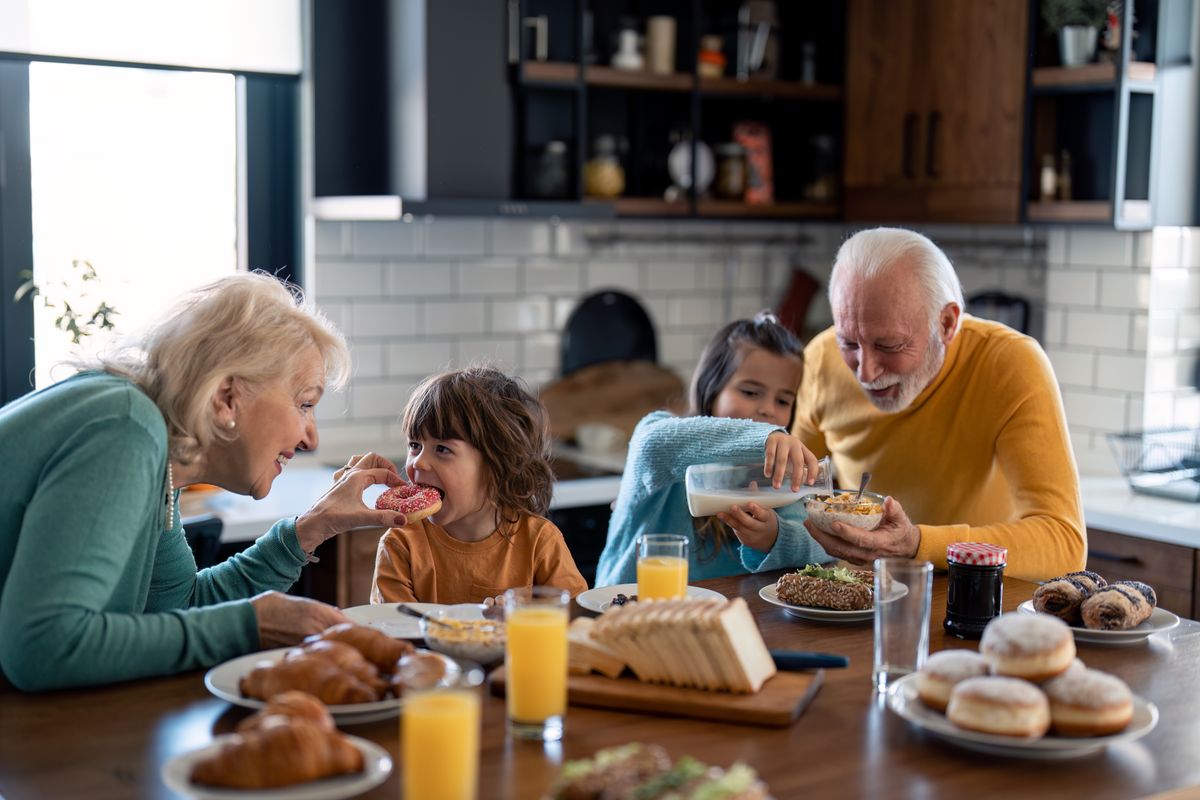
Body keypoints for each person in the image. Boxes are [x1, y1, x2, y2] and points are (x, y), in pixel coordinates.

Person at [0, 273, 410, 692]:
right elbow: (43, 646)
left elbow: (180, 609)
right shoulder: (125, 429)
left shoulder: (157, 454)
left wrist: (313, 525)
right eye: (305, 404)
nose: (311, 437)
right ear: (226, 397)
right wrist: (252, 625)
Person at [792, 227, 1085, 581]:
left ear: (947, 323)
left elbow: (1063, 544)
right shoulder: (821, 360)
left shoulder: (1009, 364)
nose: (865, 372)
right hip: (857, 598)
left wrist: (917, 543)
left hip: (975, 602)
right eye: (849, 342)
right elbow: (796, 498)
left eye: (890, 346)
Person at [594, 312, 828, 588]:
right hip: (625, 611)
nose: (768, 409)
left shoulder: (776, 475)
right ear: (711, 388)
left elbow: (822, 545)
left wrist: (775, 537)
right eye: (750, 392)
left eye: (782, 400)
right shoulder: (663, 437)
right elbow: (652, 443)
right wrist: (763, 437)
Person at [371, 366, 588, 605]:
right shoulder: (401, 544)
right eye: (414, 445)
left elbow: (575, 618)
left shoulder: (538, 541)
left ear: (497, 466)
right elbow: (395, 630)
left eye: (442, 449)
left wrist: (535, 608)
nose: (418, 461)